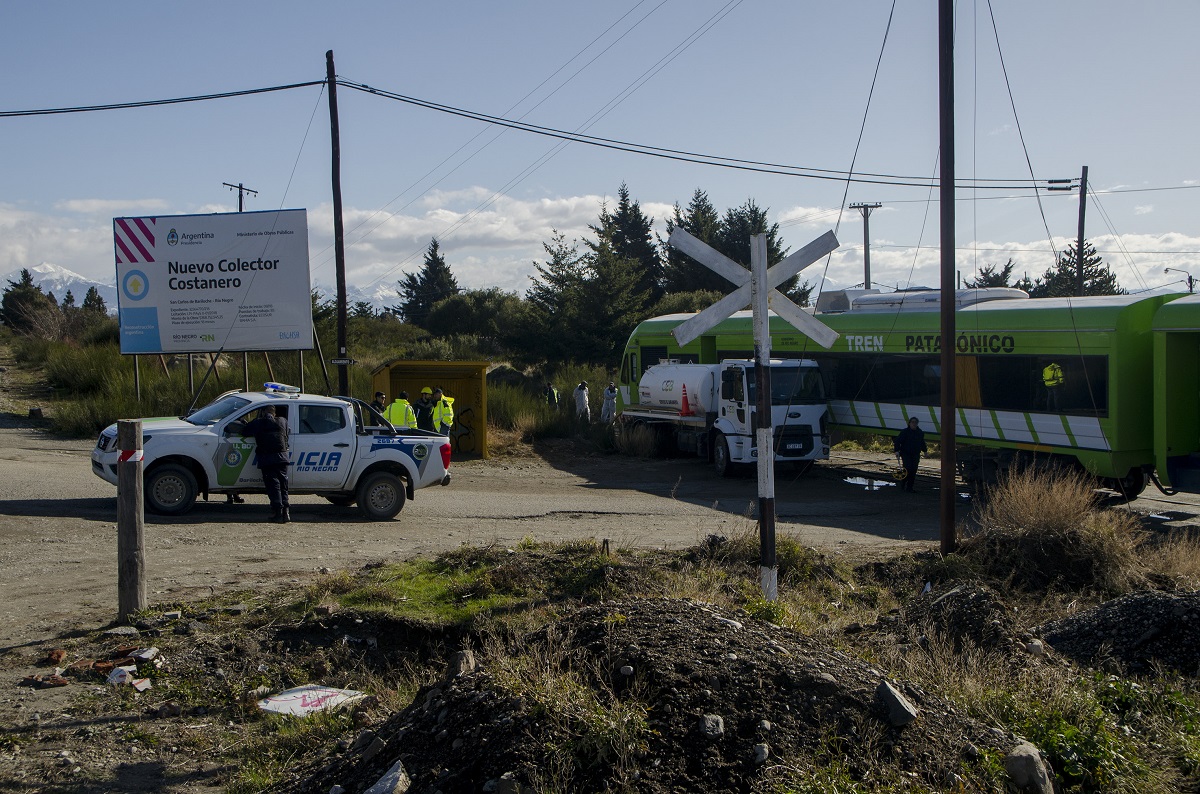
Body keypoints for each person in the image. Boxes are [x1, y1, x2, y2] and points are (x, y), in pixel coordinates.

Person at [241, 404, 291, 523]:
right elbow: (287, 433)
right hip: (282, 457)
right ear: (274, 413)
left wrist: (244, 423)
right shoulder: (283, 421)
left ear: (264, 412)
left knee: (273, 486)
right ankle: (286, 513)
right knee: (283, 486)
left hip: (267, 458)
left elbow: (245, 432)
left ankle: (277, 513)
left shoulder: (258, 422)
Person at [893, 416, 927, 493]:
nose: (914, 424)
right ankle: (903, 482)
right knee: (908, 468)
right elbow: (898, 441)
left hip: (915, 454)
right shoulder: (905, 432)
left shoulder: (920, 432)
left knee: (914, 470)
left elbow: (922, 443)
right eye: (912, 422)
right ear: (909, 423)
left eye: (915, 422)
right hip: (906, 453)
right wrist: (896, 450)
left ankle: (909, 487)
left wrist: (925, 451)